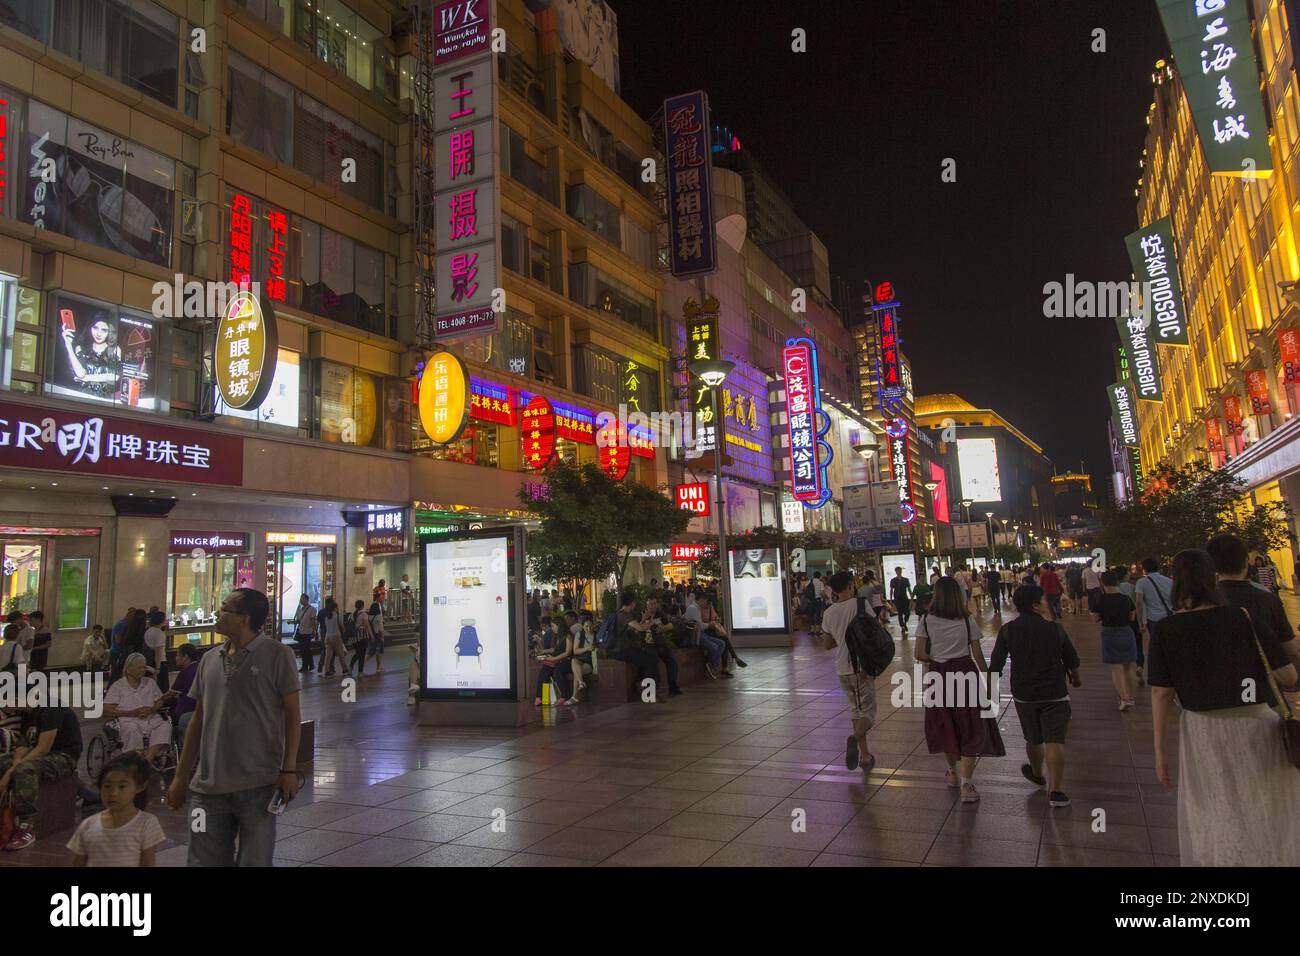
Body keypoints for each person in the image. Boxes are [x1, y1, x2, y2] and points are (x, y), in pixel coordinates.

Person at [1148, 548, 1300, 866]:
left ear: (1175, 582)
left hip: (1202, 730)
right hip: (1255, 724)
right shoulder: (1243, 616)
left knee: (1216, 806)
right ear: (1213, 579)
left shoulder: (1164, 630)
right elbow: (1288, 675)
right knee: (1263, 804)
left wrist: (1160, 752)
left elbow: (1161, 693)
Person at [165, 588, 301, 867]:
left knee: (255, 861)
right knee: (203, 861)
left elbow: (292, 715)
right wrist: (181, 777)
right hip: (208, 787)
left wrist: (288, 770)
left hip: (259, 784)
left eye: (225, 608)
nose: (217, 612)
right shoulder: (209, 659)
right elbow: (198, 721)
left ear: (243, 618)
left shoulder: (278, 655)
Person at [915, 577, 1005, 804]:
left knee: (945, 722)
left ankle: (951, 771)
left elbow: (918, 654)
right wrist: (990, 681)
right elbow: (977, 655)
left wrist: (936, 657)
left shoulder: (926, 620)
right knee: (970, 725)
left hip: (938, 675)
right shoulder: (967, 621)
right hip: (965, 673)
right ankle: (967, 783)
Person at [990, 585, 1081, 808]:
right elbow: (1071, 659)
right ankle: (1057, 791)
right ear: (1035, 604)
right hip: (1055, 692)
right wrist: (1075, 677)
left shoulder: (1008, 630)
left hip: (1024, 693)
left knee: (1033, 738)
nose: (1045, 602)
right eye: (1042, 599)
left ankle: (1038, 774)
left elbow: (996, 663)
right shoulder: (1054, 629)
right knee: (1055, 740)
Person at [1207, 534, 1300, 671]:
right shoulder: (1267, 599)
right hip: (1262, 682)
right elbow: (1291, 650)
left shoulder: (1203, 601)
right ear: (1246, 562)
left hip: (1218, 682)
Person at [0, 703, 83, 850]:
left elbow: (43, 749)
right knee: (4, 763)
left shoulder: (52, 709)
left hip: (64, 756)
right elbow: (23, 744)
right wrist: (14, 764)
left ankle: (26, 827)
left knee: (25, 769)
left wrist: (12, 771)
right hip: (42, 756)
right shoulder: (27, 714)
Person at [821, 571, 877, 772]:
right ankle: (854, 738)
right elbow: (874, 631)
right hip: (861, 667)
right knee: (868, 713)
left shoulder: (828, 613)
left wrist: (840, 634)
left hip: (842, 670)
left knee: (855, 711)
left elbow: (827, 644)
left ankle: (865, 755)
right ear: (849, 586)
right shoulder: (860, 605)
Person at [68, 753, 165, 867]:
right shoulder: (88, 825)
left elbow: (148, 863)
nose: (113, 793)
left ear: (139, 787)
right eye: (107, 786)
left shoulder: (146, 824)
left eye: (122, 787)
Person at [104, 653, 173, 766]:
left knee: (165, 726)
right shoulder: (118, 686)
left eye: (144, 667)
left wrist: (152, 709)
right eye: (139, 667)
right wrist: (131, 713)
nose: (143, 670)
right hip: (128, 719)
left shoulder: (150, 683)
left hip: (150, 718)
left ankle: (148, 759)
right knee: (132, 729)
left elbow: (159, 701)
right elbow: (106, 709)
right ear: (129, 669)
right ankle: (134, 760)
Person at [611, 590, 681, 699]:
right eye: (649, 603)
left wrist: (662, 628)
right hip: (630, 648)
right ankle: (649, 691)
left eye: (654, 604)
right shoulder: (628, 615)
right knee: (651, 660)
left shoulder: (624, 614)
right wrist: (648, 621)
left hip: (654, 644)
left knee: (668, 660)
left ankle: (655, 690)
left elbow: (670, 625)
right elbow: (638, 629)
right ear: (632, 603)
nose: (652, 606)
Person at [1094, 571, 1138, 711]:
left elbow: (1096, 619)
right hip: (1126, 631)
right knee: (1129, 666)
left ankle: (1124, 698)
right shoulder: (1126, 599)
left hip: (1109, 632)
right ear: (1117, 582)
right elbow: (1132, 617)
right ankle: (1131, 697)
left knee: (1116, 667)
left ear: (1103, 583)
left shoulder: (1100, 599)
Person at [1135, 556, 1174, 688]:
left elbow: (1139, 603)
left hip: (1153, 619)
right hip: (1169, 617)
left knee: (1157, 646)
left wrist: (1141, 622)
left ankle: (1159, 673)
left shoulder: (1142, 582)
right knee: (1169, 644)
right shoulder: (1169, 581)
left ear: (1144, 568)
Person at [534, 618, 573, 706]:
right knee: (544, 672)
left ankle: (564, 696)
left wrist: (554, 659)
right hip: (556, 660)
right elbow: (554, 649)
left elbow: (567, 653)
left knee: (557, 672)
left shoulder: (568, 636)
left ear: (559, 626)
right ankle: (538, 697)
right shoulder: (556, 636)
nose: (552, 628)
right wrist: (543, 652)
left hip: (565, 661)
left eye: (553, 626)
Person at [164, 643, 200, 739]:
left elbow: (170, 695)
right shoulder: (200, 667)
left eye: (177, 655)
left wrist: (153, 705)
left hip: (187, 710)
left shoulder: (186, 672)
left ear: (185, 657)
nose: (176, 658)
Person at [317, 598, 348, 677]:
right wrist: (344, 631)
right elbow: (341, 625)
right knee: (341, 653)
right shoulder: (336, 615)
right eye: (337, 607)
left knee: (328, 655)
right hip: (336, 636)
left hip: (327, 637)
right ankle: (345, 669)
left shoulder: (327, 616)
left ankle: (327, 671)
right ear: (334, 608)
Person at [347, 599, 375, 677]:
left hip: (354, 638)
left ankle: (352, 667)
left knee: (358, 653)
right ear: (362, 606)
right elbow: (367, 626)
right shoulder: (363, 614)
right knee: (361, 655)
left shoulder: (351, 615)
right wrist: (371, 636)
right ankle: (359, 672)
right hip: (362, 637)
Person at [291, 594, 316, 674]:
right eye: (300, 599)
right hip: (301, 632)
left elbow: (313, 621)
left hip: (308, 632)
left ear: (306, 599)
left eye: (302, 599)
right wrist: (291, 622)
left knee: (306, 649)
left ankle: (310, 664)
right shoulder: (301, 609)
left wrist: (313, 631)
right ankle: (305, 665)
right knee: (302, 649)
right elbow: (299, 620)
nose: (300, 600)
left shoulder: (312, 609)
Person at [144, 610, 168, 691]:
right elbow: (158, 651)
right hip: (159, 662)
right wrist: (158, 668)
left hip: (150, 660)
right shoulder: (159, 633)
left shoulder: (148, 631)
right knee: (162, 686)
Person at [889, 567, 913, 635]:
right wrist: (891, 599)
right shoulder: (893, 580)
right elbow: (891, 590)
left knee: (907, 612)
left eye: (899, 570)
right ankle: (902, 626)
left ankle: (905, 622)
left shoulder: (905, 580)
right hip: (897, 599)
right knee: (900, 613)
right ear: (895, 572)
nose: (898, 572)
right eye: (897, 571)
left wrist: (911, 597)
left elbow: (909, 589)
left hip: (904, 598)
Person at [367, 601, 385, 674]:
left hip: (372, 635)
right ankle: (362, 665)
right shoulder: (378, 616)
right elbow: (381, 628)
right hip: (378, 635)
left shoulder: (369, 616)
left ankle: (379, 667)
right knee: (373, 652)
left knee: (378, 652)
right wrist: (382, 637)